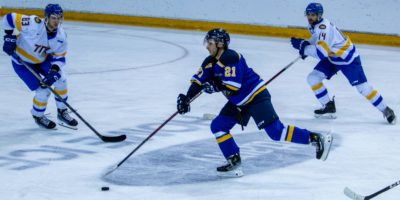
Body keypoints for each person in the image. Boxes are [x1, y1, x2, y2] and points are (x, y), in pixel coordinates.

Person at [176, 28, 333, 177]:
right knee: (218, 126)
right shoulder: (209, 62)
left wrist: (215, 86)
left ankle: (315, 138)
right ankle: (234, 161)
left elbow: (234, 86)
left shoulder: (231, 57)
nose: (207, 47)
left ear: (220, 44)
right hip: (238, 102)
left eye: (210, 43)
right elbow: (198, 81)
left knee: (276, 132)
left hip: (255, 97)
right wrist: (186, 98)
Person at [290, 2, 396, 124]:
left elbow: (321, 53)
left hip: (347, 58)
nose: (309, 17)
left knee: (362, 88)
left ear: (319, 15)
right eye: (308, 14)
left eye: (312, 14)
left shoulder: (323, 28)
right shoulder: (314, 25)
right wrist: (306, 44)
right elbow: (317, 39)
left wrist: (304, 48)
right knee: (313, 78)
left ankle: (386, 110)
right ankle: (328, 107)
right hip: (333, 57)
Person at [2, 4, 78, 129]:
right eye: (54, 17)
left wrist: (53, 72)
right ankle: (38, 116)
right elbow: (9, 18)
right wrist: (9, 37)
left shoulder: (61, 36)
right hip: (22, 63)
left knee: (61, 79)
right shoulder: (33, 23)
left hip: (42, 60)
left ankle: (62, 111)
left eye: (59, 18)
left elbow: (60, 57)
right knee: (43, 91)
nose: (57, 21)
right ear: (46, 17)